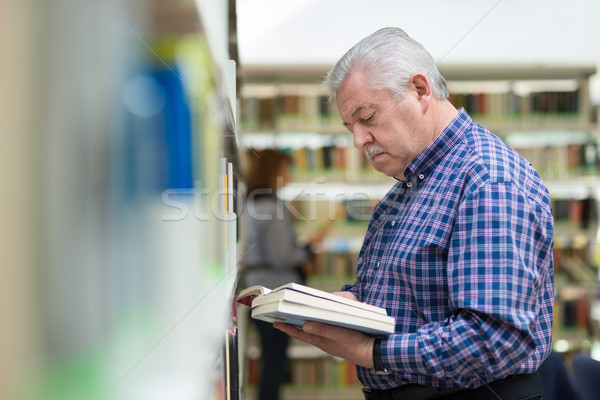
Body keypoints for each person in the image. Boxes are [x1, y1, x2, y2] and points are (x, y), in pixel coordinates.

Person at [275, 27, 554, 400]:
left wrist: (368, 351)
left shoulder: (487, 178)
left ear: (420, 91)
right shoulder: (405, 189)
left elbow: (493, 338)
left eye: (368, 117)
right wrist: (345, 306)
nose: (358, 140)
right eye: (350, 127)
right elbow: (411, 297)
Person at [241, 148, 332, 400]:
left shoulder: (252, 203)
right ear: (273, 172)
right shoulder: (273, 206)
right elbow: (282, 256)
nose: (288, 174)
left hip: (256, 288)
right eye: (285, 169)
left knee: (269, 357)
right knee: (275, 361)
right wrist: (307, 250)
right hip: (275, 292)